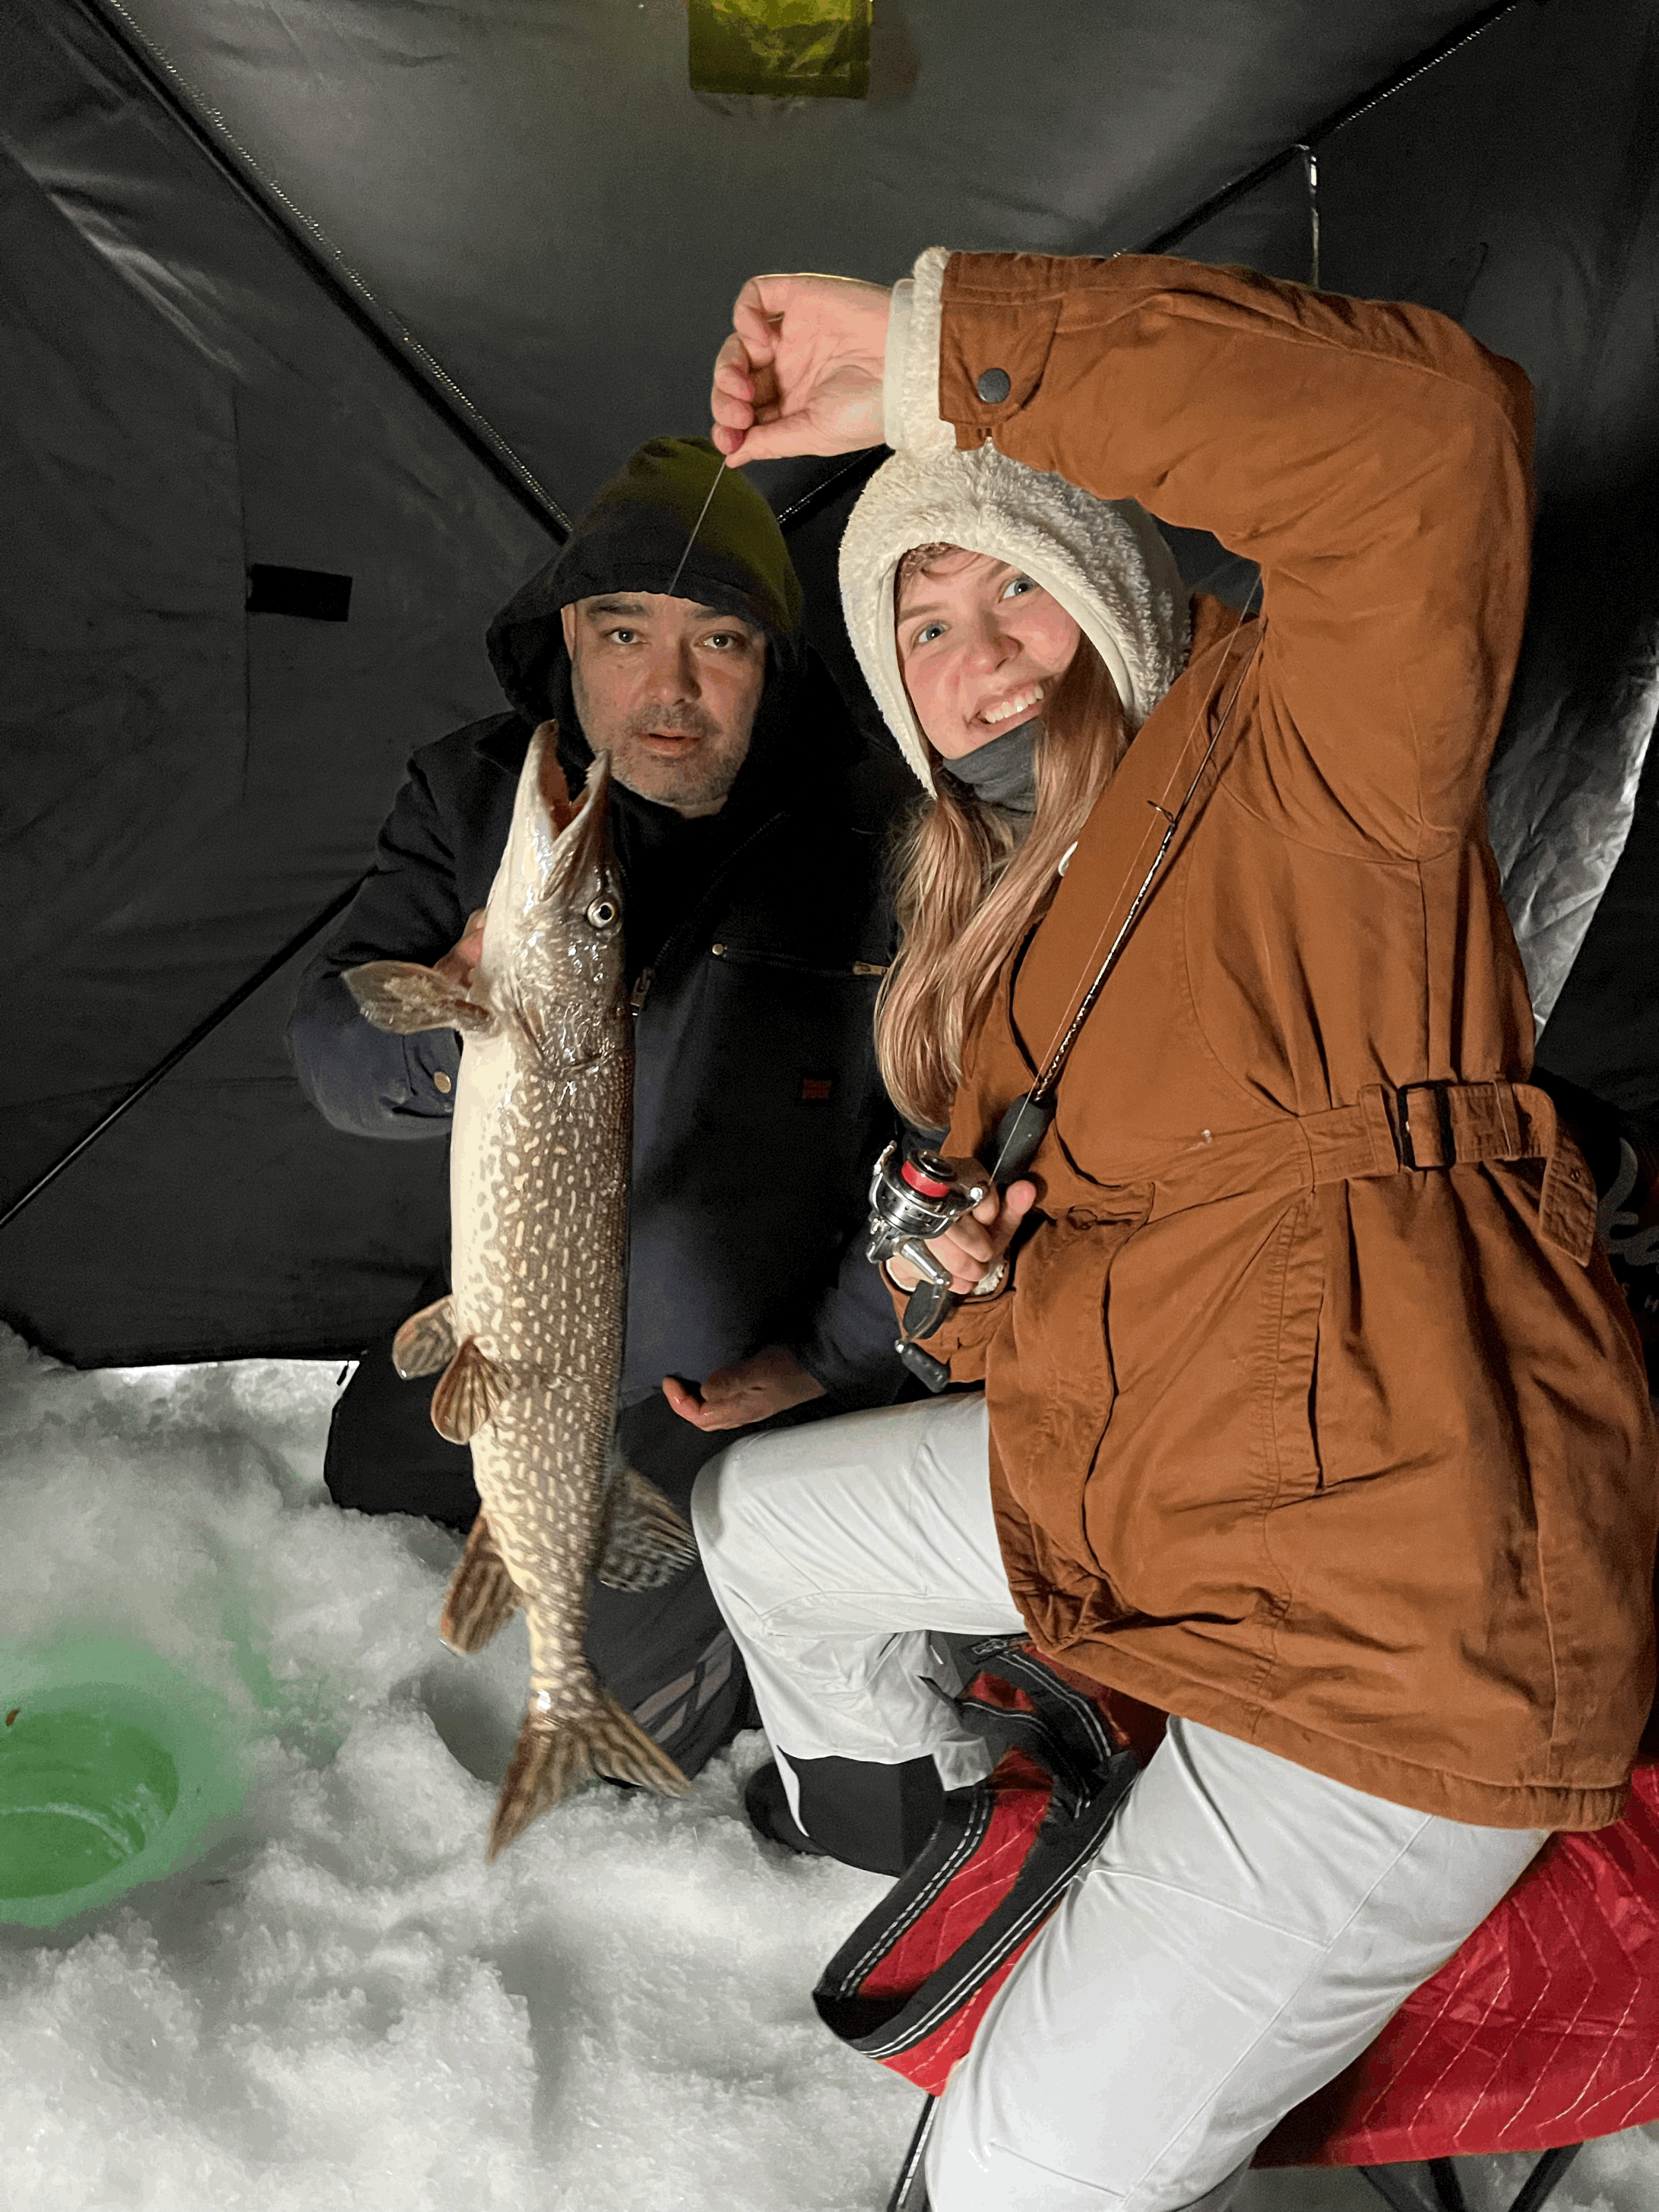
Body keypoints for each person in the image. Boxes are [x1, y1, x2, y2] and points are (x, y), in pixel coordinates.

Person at [689, 252, 1659, 2211]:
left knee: (1022, 2172)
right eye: (923, 624)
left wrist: (932, 363)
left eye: (1016, 585)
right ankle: (949, 1864)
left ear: (1119, 595)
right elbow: (1106, 1289)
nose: (979, 653)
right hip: (1156, 1482)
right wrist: (960, 1285)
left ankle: (1044, 2067)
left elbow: (1423, 447)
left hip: (1383, 1609)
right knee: (755, 1528)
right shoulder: (1000, 964)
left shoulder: (1303, 776)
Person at [287, 435, 912, 1785]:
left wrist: (828, 1357)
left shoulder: (886, 839)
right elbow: (332, 1052)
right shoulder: (476, 792)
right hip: (511, 1313)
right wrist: (448, 1027)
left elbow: (945, 1148)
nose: (666, 688)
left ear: (775, 659)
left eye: (719, 642)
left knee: (646, 1740)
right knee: (361, 1502)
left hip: (724, 1369)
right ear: (567, 635)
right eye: (625, 634)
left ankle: (730, 1640)